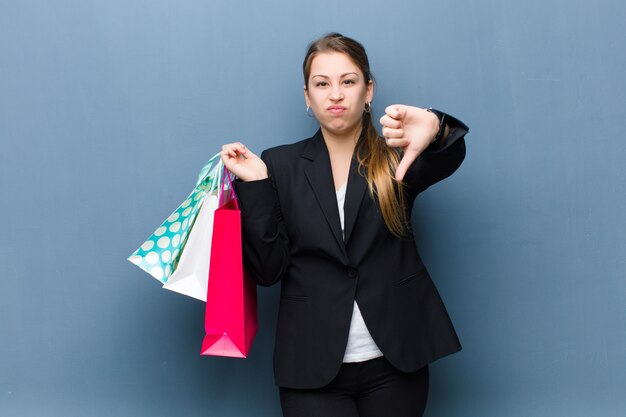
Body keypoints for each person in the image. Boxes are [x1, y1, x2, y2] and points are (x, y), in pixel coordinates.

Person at [221, 33, 469, 417]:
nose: (335, 94)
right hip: (310, 367)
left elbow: (449, 156)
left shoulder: (396, 157)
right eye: (322, 84)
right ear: (307, 95)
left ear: (369, 90)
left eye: (348, 81)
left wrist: (436, 126)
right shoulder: (280, 164)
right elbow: (268, 270)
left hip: (396, 362)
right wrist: (255, 186)